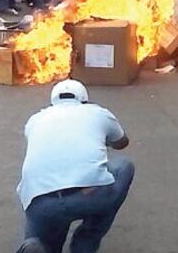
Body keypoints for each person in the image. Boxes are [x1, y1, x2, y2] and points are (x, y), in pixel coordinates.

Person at [15, 79, 134, 253]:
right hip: (89, 195)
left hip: (40, 200)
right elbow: (122, 142)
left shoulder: (35, 120)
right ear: (84, 100)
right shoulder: (98, 113)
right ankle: (85, 243)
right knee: (124, 166)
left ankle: (38, 247)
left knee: (42, 243)